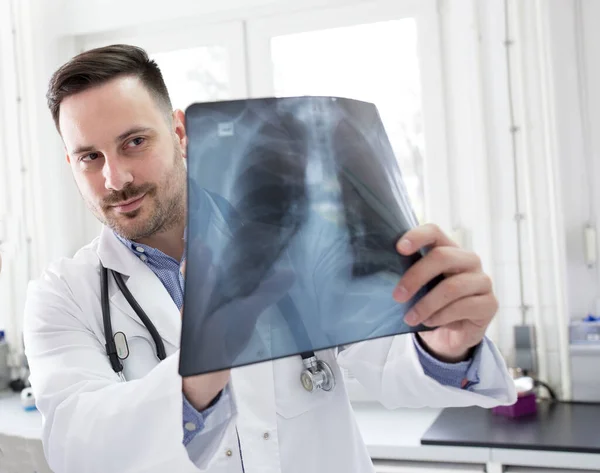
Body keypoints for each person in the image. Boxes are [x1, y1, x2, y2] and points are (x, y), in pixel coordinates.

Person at [23, 44, 516, 473]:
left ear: (179, 131)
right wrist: (200, 370)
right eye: (90, 156)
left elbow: (389, 363)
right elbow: (76, 448)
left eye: (135, 142)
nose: (116, 178)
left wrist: (447, 346)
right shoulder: (63, 296)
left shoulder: (297, 240)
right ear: (71, 163)